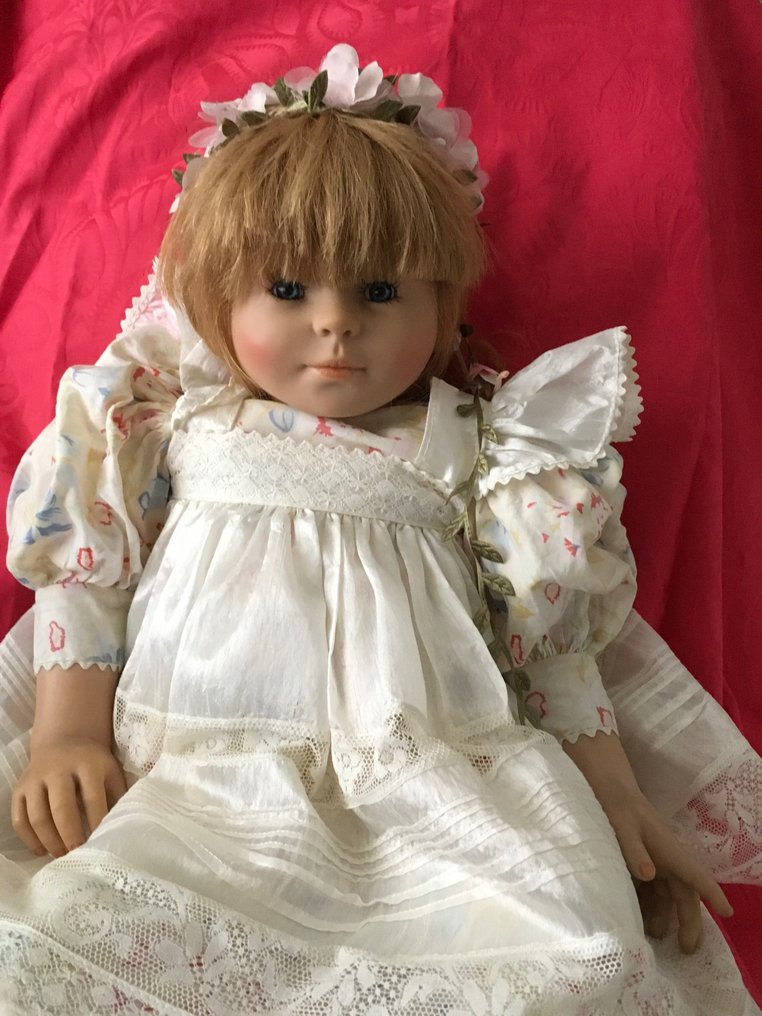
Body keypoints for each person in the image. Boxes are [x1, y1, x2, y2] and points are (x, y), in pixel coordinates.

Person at [0, 43, 760, 1015]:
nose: (335, 324)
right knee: (73, 944)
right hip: (199, 778)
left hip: (433, 782)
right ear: (217, 297)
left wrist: (617, 796)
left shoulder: (482, 455)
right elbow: (88, 568)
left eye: (380, 290)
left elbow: (550, 652)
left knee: (567, 946)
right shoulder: (168, 426)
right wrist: (68, 730)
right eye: (288, 290)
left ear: (442, 302)